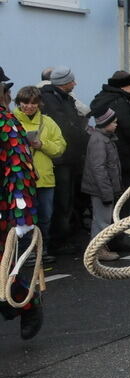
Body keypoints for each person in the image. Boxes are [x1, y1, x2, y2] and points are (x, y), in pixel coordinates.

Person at [0, 68, 44, 339]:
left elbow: (20, 170)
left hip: (2, 209)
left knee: (1, 269)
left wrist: (22, 215)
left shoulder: (6, 122)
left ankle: (27, 303)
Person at [12, 86, 66, 264]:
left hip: (44, 178)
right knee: (23, 218)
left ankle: (42, 250)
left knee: (45, 217)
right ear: (18, 102)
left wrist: (41, 144)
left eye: (33, 103)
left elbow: (60, 147)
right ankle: (26, 253)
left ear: (39, 103)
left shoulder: (47, 122)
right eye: (25, 102)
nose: (29, 106)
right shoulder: (10, 120)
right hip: (20, 179)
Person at [39, 67, 89, 254]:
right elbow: (66, 126)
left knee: (67, 201)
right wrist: (85, 139)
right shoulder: (52, 99)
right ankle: (58, 241)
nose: (75, 84)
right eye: (72, 81)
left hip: (69, 157)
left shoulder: (62, 98)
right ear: (64, 82)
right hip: (62, 160)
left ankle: (63, 237)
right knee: (62, 201)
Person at [91, 71, 130, 198]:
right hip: (126, 154)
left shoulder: (104, 98)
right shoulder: (121, 102)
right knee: (127, 193)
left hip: (112, 151)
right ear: (123, 86)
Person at [81, 108, 121, 262]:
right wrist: (106, 192)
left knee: (102, 218)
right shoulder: (99, 140)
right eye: (114, 122)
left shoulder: (105, 138)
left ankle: (100, 247)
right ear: (106, 123)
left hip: (104, 187)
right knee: (101, 219)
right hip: (101, 188)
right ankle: (98, 250)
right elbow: (99, 168)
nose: (116, 124)